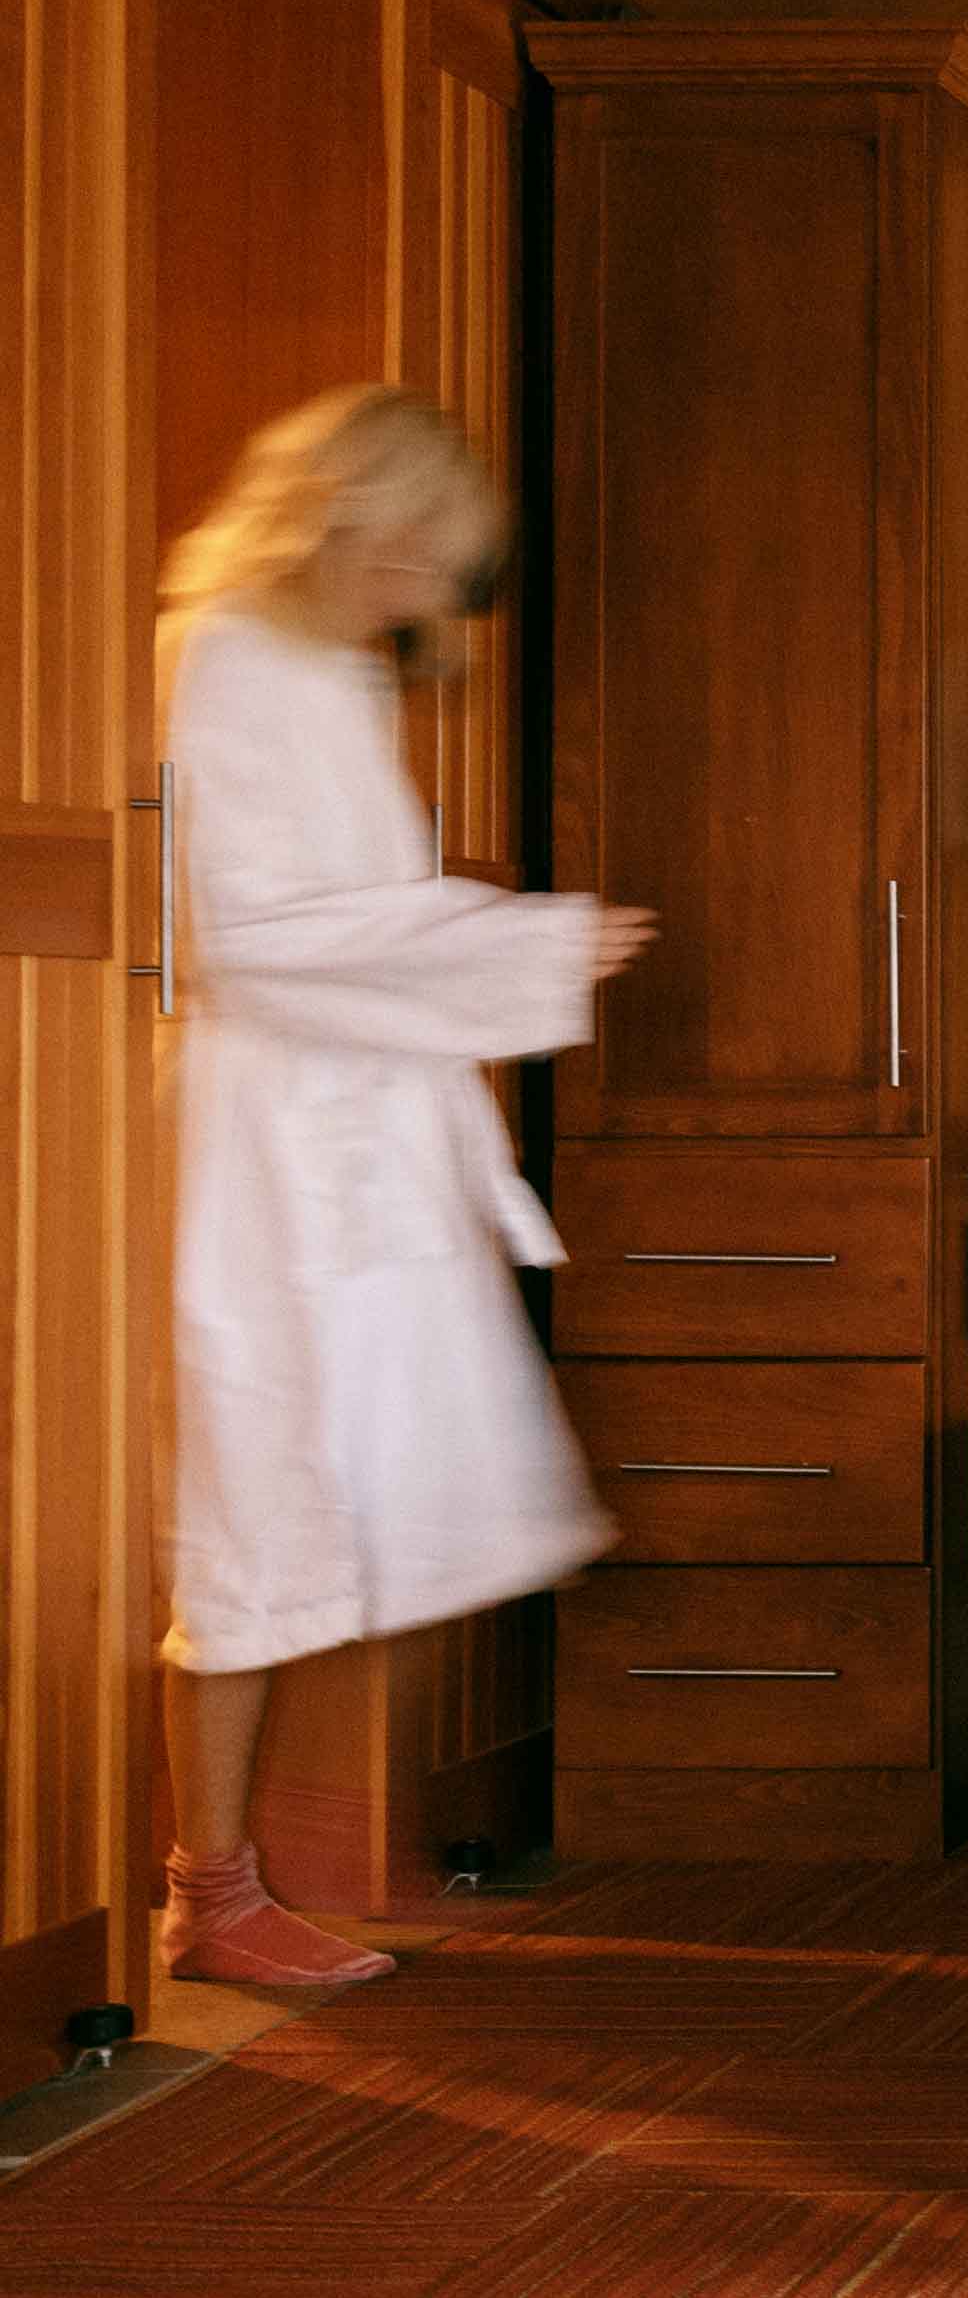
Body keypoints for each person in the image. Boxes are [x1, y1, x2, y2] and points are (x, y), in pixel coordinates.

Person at [156, 385, 654, 1985]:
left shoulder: (322, 670)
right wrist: (528, 945)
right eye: (418, 558)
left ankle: (261, 1872)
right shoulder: (226, 657)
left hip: (357, 1132)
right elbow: (256, 934)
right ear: (348, 516)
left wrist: (496, 936)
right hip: (269, 1145)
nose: (426, 599)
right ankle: (209, 1895)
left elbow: (343, 911)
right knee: (263, 1497)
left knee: (366, 1489)